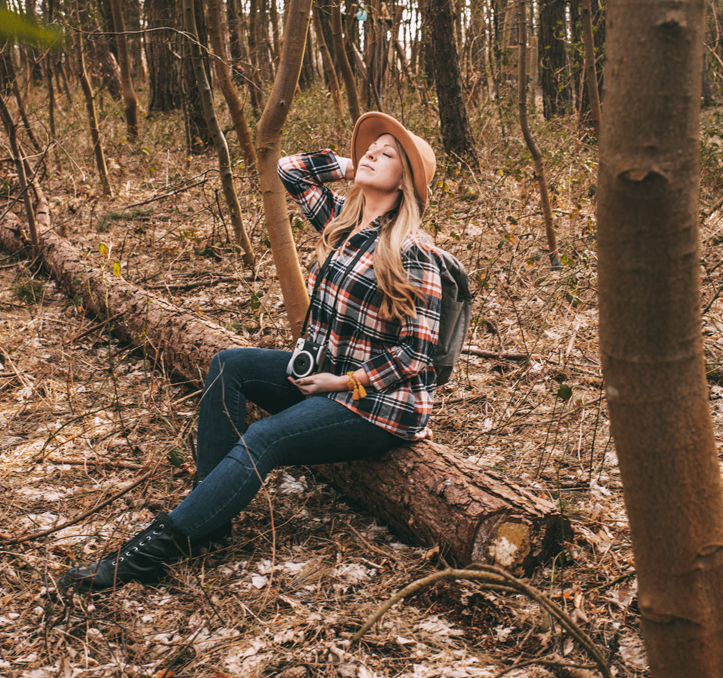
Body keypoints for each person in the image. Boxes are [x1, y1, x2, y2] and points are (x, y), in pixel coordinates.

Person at [61, 111, 442, 593]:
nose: (371, 153)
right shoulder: (344, 226)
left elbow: (417, 355)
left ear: (405, 181)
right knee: (231, 364)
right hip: (325, 378)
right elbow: (289, 169)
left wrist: (343, 383)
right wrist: (355, 168)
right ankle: (209, 519)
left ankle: (153, 551)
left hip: (378, 406)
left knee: (263, 437)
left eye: (387, 154)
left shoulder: (413, 252)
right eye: (372, 147)